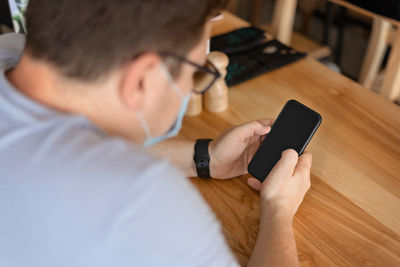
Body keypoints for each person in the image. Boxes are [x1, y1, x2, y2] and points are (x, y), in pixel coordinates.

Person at [0, 0, 312, 266]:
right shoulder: (137, 198)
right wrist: (278, 209)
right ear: (141, 79)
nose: (190, 87)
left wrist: (205, 158)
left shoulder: (10, 51)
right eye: (195, 72)